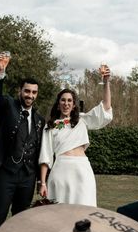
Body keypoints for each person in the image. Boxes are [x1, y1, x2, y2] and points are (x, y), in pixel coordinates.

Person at [38, 66, 112, 206]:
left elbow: (106, 109)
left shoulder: (82, 120)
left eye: (69, 101)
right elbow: (45, 156)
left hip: (82, 170)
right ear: (58, 104)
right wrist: (43, 183)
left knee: (84, 209)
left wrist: (106, 82)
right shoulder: (50, 126)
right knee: (60, 212)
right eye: (63, 100)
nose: (66, 103)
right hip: (60, 171)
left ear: (73, 105)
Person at [0, 52, 45, 225]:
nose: (30, 95)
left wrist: (41, 180)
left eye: (34, 92)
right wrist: (0, 72)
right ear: (20, 91)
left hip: (28, 176)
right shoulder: (8, 106)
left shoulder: (39, 120)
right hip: (5, 173)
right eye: (27, 91)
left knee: (21, 219)